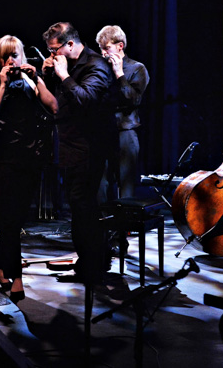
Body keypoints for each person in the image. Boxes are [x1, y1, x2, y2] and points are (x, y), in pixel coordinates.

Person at [0, 35, 58, 303]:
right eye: (6, 56)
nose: (11, 60)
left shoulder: (30, 81)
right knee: (8, 219)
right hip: (1, 158)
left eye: (15, 55)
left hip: (28, 157)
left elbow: (53, 107)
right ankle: (16, 278)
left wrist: (38, 80)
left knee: (16, 218)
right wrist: (3, 84)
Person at [42, 22, 115, 284]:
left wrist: (63, 75)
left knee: (84, 206)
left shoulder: (96, 65)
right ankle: (90, 263)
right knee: (79, 206)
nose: (53, 55)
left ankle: (92, 267)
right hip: (70, 145)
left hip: (89, 148)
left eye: (55, 50)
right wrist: (48, 75)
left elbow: (86, 100)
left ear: (70, 44)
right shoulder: (69, 64)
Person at [96, 25, 149, 202]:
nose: (103, 53)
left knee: (125, 185)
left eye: (107, 48)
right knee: (100, 184)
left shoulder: (137, 68)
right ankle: (102, 219)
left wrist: (119, 74)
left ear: (120, 46)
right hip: (102, 132)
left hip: (125, 132)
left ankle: (124, 220)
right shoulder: (100, 68)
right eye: (101, 49)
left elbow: (133, 100)